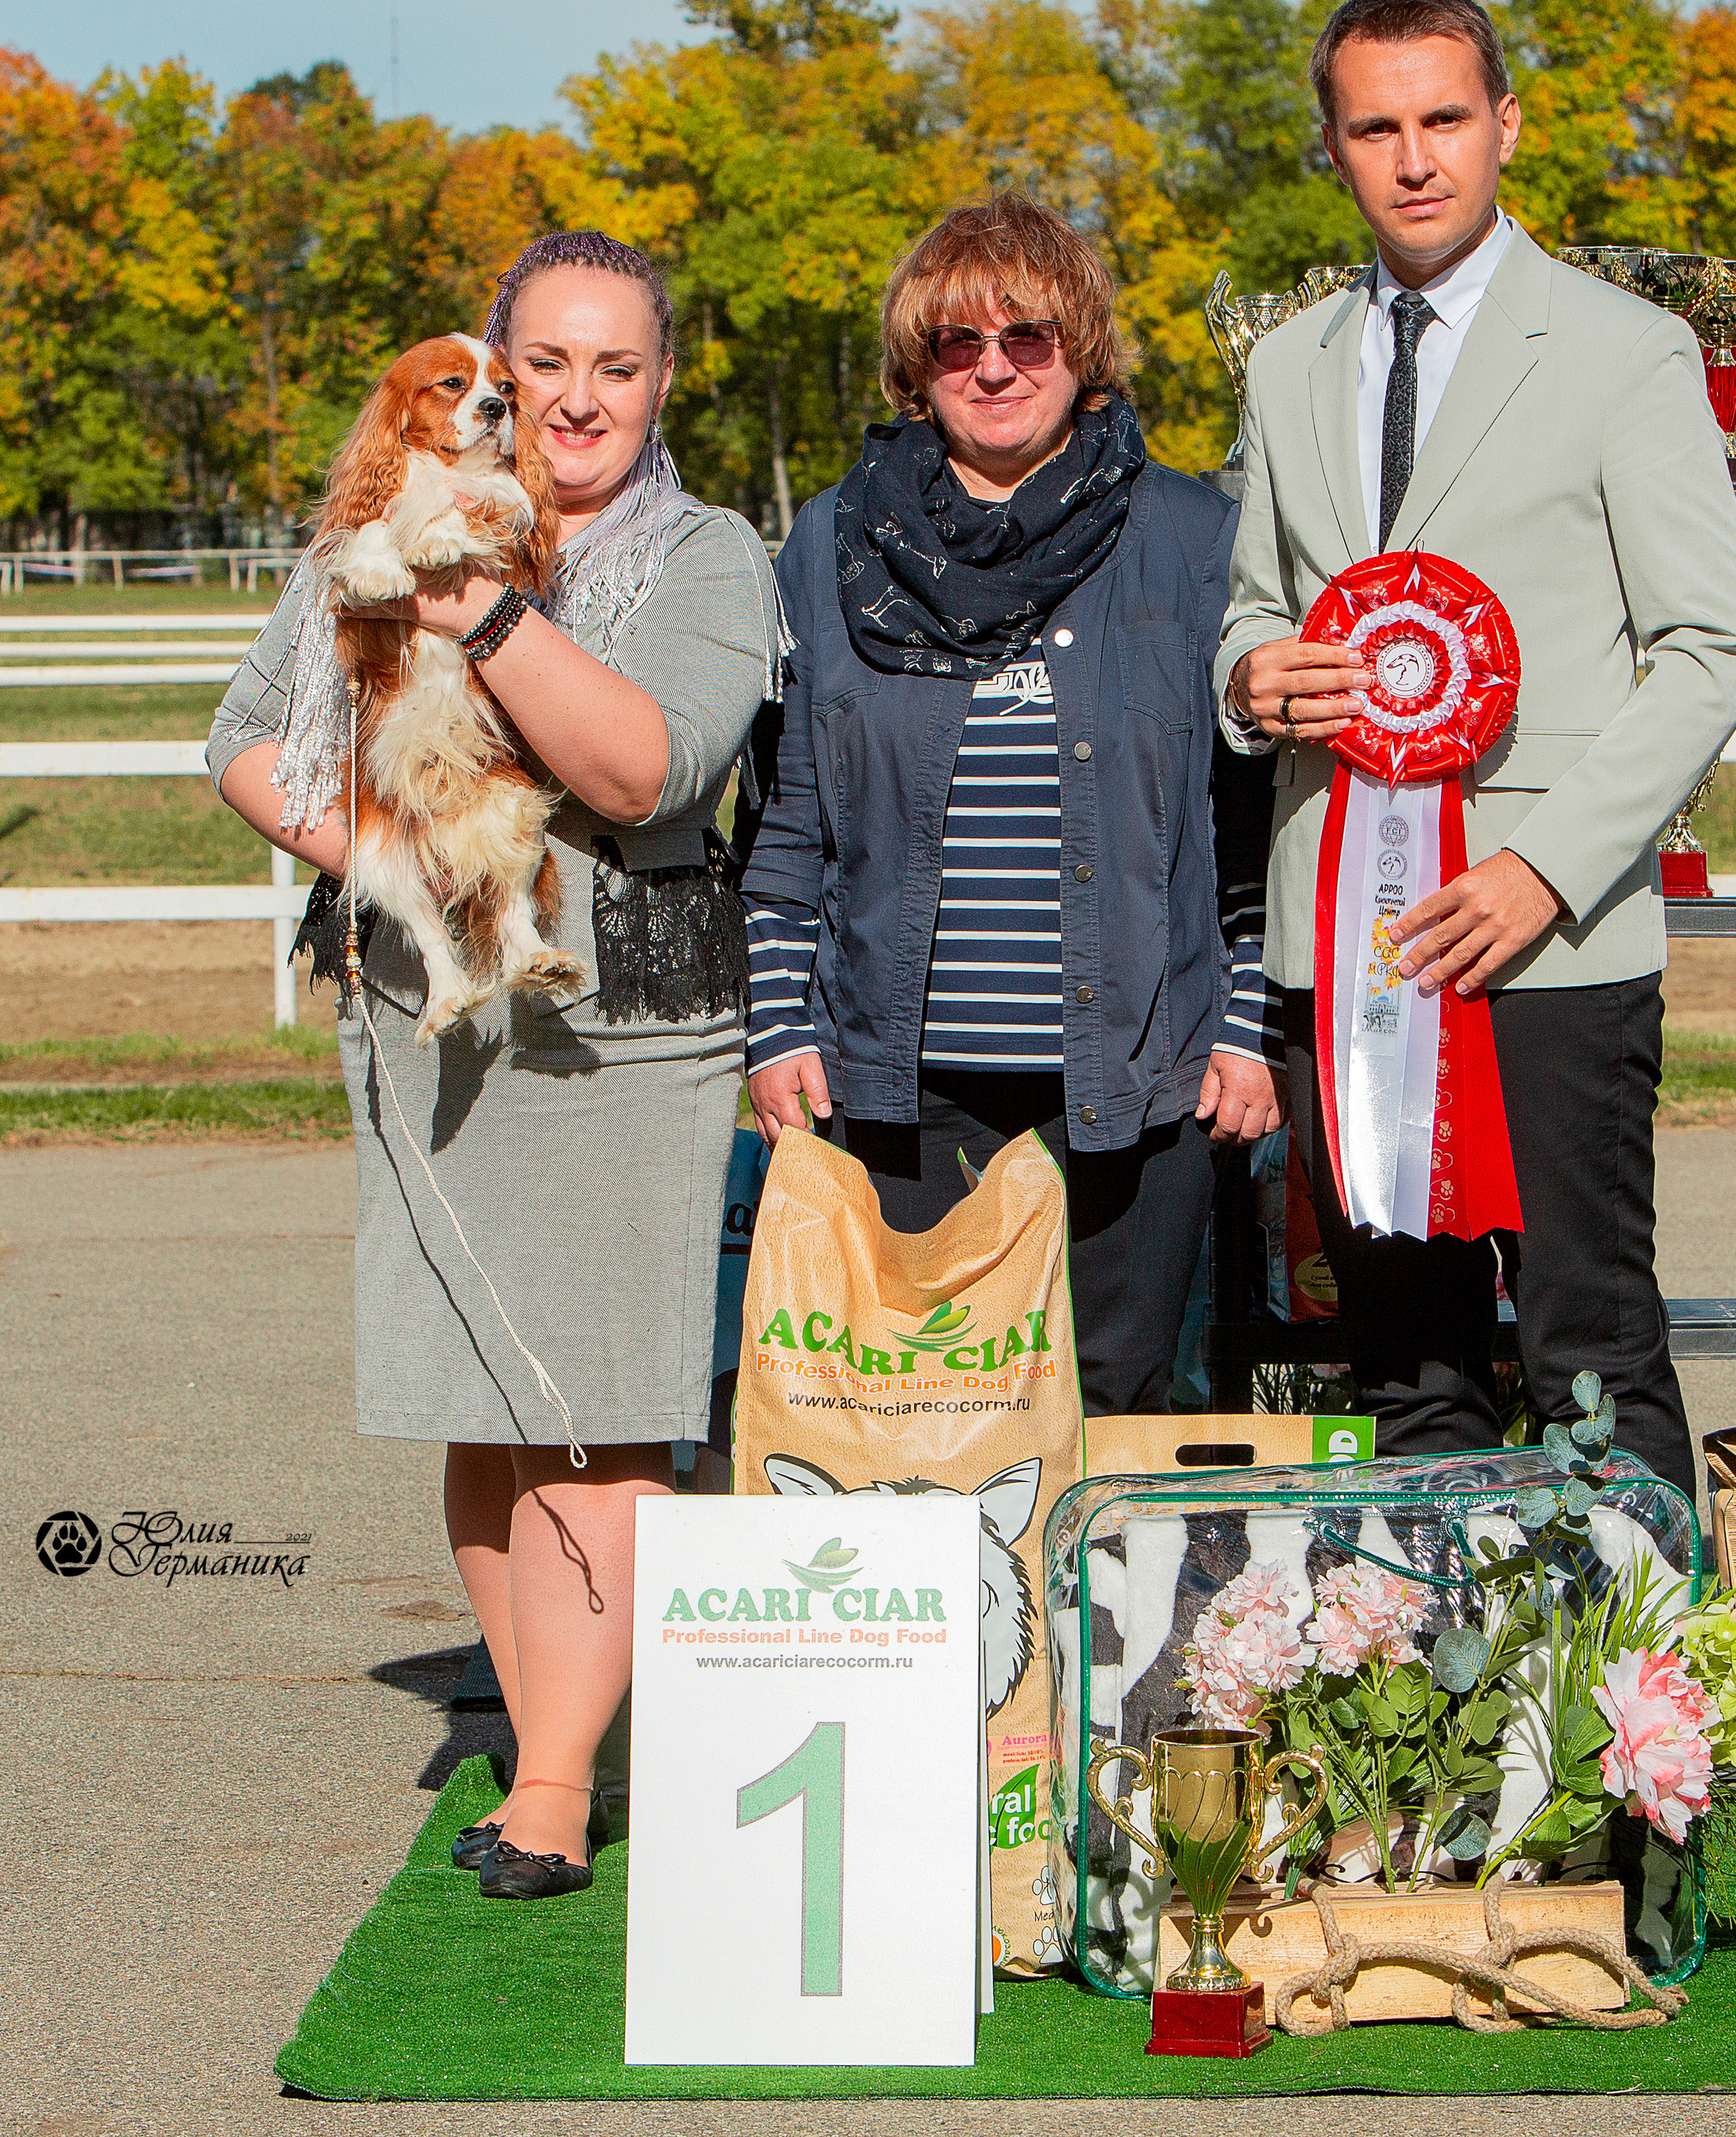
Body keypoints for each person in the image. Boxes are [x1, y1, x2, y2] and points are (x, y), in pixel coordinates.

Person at [209, 231, 783, 1895]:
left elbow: (645, 772)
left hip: (623, 1036)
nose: (579, 398)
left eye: (617, 365)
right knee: (477, 1398)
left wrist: (474, 599)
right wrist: (379, 856)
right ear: (496, 370)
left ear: (660, 381)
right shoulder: (370, 515)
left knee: (596, 1407)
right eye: (546, 363)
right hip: (423, 1017)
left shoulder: (704, 552)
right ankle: (558, 1747)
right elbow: (244, 733)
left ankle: (541, 1788)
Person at [1216, 0, 1736, 1500]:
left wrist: (1541, 866)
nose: (1412, 158)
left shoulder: (1622, 350)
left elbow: (1711, 646)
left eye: (1442, 119)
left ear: (1502, 125)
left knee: (1590, 1341)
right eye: (1374, 126)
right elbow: (1252, 606)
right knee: (1401, 1360)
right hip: (1350, 945)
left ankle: (1653, 1721)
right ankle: (1438, 1724)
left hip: (1549, 942)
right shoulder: (1284, 367)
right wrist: (1253, 677)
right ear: (1331, 146)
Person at [739, 192, 1285, 1417]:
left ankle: (1097, 1621)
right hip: (901, 1086)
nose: (993, 369)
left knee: (1121, 1394)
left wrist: (1248, 1028)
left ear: (1080, 350)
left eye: (1027, 337)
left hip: (1143, 1082)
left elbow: (1249, 819)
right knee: (926, 1412)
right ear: (916, 367)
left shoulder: (1193, 537)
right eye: (957, 344)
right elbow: (786, 829)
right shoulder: (832, 543)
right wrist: (778, 1030)